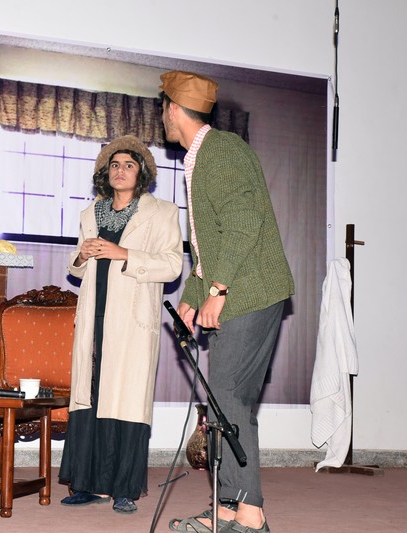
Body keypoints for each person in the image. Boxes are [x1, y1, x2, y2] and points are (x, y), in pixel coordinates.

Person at [161, 71, 294, 533]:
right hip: (240, 288)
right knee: (224, 401)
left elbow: (243, 221)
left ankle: (250, 515)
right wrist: (192, 298)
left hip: (248, 291)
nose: (164, 117)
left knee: (230, 398)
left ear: (173, 109)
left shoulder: (221, 150)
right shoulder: (202, 156)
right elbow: (208, 244)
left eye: (164, 109)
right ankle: (226, 508)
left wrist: (218, 290)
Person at [59, 136, 183, 514]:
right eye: (114, 165)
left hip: (131, 321)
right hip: (93, 317)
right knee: (91, 396)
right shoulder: (90, 214)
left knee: (125, 401)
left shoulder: (163, 212)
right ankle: (88, 485)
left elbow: (172, 265)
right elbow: (76, 268)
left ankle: (123, 489)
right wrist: (81, 255)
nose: (120, 171)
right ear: (105, 172)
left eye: (129, 165)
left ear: (141, 172)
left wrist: (124, 253)